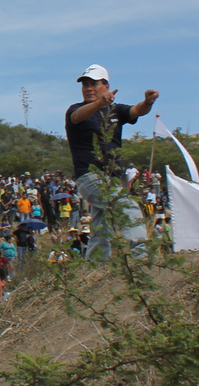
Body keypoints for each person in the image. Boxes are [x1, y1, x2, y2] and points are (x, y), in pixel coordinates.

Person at [67, 64, 159, 259]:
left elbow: (136, 111)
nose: (88, 88)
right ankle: (142, 257)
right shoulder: (76, 110)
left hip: (112, 178)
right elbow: (77, 117)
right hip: (90, 176)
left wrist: (148, 102)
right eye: (85, 85)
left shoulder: (115, 110)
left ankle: (94, 269)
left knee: (102, 227)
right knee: (125, 205)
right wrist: (99, 104)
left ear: (106, 86)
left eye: (94, 83)